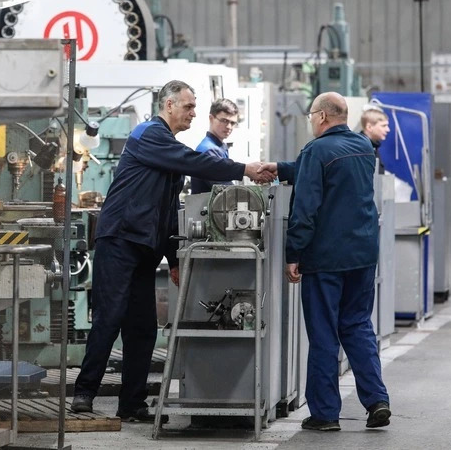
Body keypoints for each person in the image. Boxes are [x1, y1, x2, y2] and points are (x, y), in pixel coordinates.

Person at [70, 80, 275, 422]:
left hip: (143, 248)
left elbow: (167, 211)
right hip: (120, 240)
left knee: (142, 328)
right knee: (109, 318)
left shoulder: (168, 148)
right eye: (188, 106)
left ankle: (131, 404)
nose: (193, 113)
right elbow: (194, 162)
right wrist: (244, 169)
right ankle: (84, 393)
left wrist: (173, 258)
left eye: (194, 107)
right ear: (168, 106)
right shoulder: (149, 135)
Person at [258, 92, 390, 431]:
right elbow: (329, 171)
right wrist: (281, 169)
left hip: (326, 259)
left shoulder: (315, 150)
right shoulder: (363, 147)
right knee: (358, 325)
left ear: (320, 117)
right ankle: (377, 400)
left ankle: (326, 414)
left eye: (310, 116)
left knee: (323, 334)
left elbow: (305, 210)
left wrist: (293, 253)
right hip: (363, 255)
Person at [190, 98, 239, 194]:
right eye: (224, 121)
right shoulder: (209, 150)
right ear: (211, 118)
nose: (229, 127)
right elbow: (227, 191)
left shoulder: (220, 147)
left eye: (232, 123)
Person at [359, 106, 391, 173]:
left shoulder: (372, 146)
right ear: (369, 127)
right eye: (383, 126)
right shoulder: (360, 149)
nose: (388, 130)